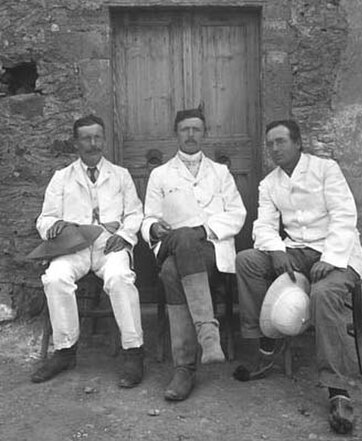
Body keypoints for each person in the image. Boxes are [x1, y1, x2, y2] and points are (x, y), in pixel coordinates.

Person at [233, 120, 362, 434]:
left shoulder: (325, 169)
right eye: (271, 144)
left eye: (281, 141)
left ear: (297, 142)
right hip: (295, 250)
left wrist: (331, 258)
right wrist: (277, 250)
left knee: (322, 293)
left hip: (338, 251)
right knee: (248, 261)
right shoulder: (270, 183)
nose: (275, 149)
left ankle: (337, 391)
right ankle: (264, 344)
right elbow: (263, 225)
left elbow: (345, 215)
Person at [31, 115, 145, 388]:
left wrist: (124, 236)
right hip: (74, 247)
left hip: (109, 245)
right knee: (55, 278)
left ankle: (134, 352)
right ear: (76, 142)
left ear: (104, 139)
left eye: (97, 137)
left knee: (119, 278)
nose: (93, 144)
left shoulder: (120, 175)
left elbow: (134, 213)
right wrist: (54, 226)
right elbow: (44, 218)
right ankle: (65, 351)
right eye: (86, 138)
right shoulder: (62, 178)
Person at [141, 107, 246, 401]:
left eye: (196, 129)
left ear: (205, 134)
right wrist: (155, 230)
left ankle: (184, 369)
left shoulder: (220, 173)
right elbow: (148, 217)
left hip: (211, 248)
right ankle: (207, 333)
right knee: (182, 238)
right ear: (177, 133)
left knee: (172, 271)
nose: (190, 135)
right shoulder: (160, 175)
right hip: (173, 244)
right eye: (185, 129)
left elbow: (237, 214)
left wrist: (203, 231)